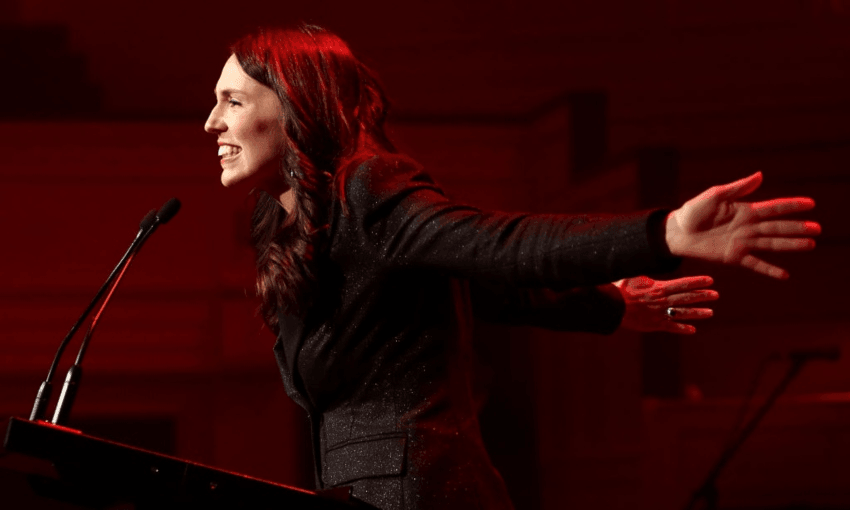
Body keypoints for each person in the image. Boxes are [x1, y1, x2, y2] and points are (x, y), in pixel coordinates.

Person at [203, 25, 820, 510]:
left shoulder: (368, 189)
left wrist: (665, 232)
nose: (213, 123)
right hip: (359, 493)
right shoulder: (296, 225)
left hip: (419, 495)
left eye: (232, 101)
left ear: (294, 106)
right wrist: (610, 305)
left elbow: (499, 246)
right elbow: (474, 287)